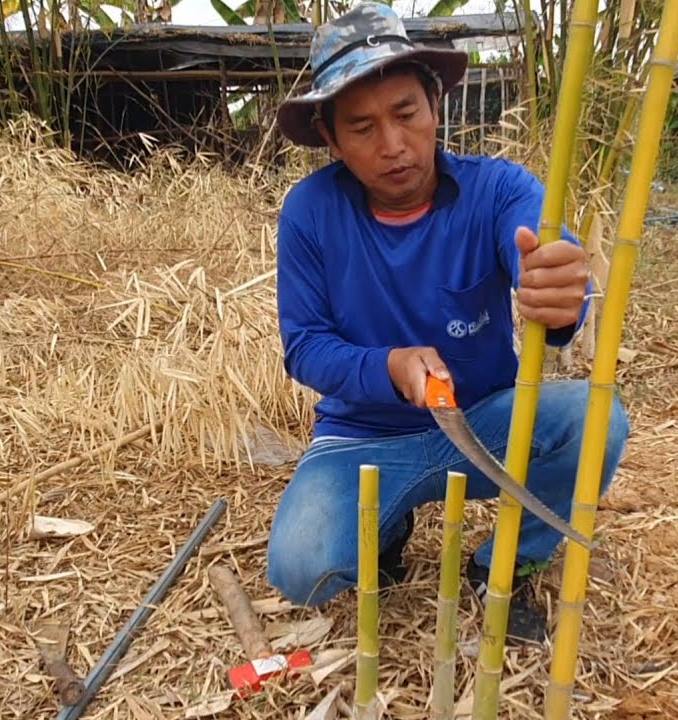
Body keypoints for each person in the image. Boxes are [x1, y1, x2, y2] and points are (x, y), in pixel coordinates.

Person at [265, 1, 630, 643]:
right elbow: (304, 347)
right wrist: (389, 366)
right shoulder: (309, 212)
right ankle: (389, 521)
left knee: (595, 420)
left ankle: (504, 565)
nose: (393, 146)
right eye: (362, 127)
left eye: (406, 114)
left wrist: (558, 293)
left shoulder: (497, 189)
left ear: (436, 103)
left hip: (484, 422)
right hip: (361, 437)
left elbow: (543, 252)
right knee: (304, 572)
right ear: (330, 138)